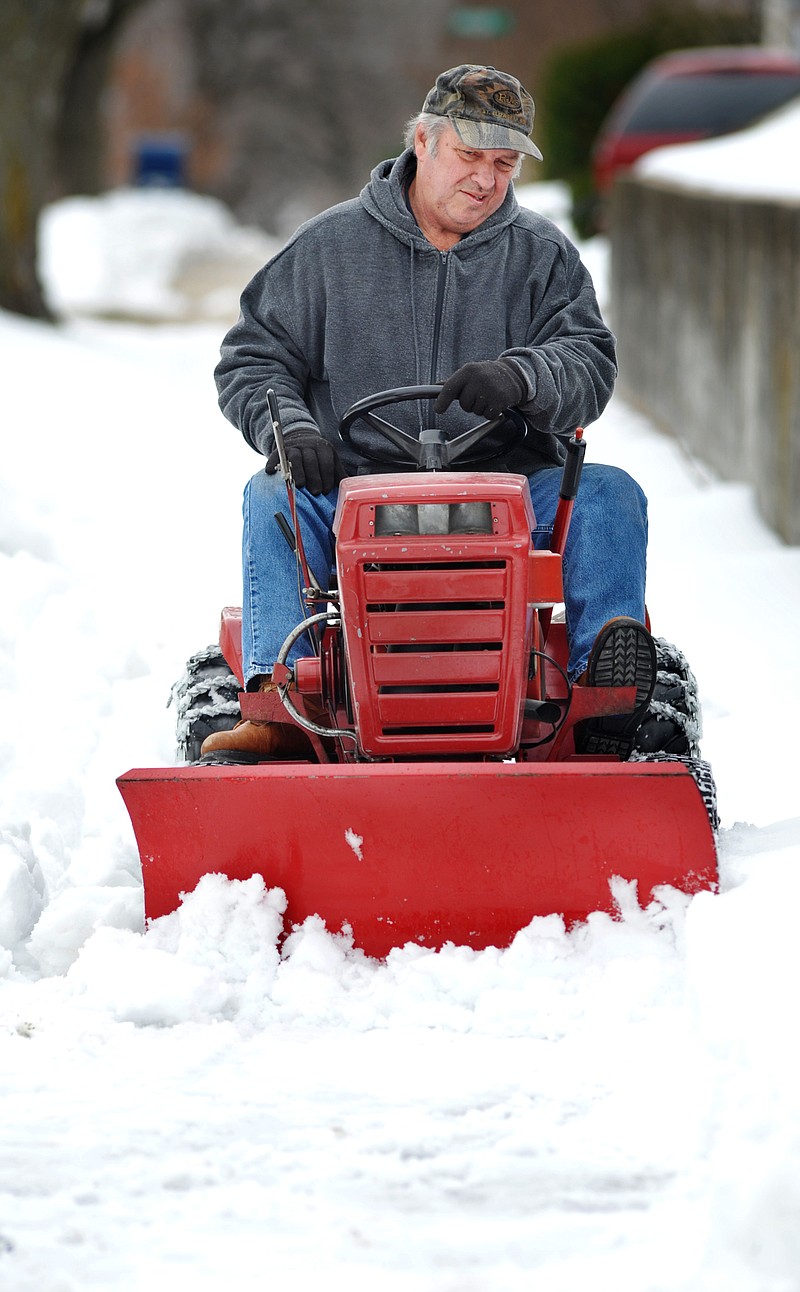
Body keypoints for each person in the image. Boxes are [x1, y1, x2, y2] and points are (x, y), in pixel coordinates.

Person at [202, 64, 655, 761]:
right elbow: (253, 359)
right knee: (269, 497)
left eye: (503, 163)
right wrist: (289, 429)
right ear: (422, 140)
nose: (486, 178)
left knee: (610, 494)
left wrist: (522, 376)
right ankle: (279, 701)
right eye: (471, 155)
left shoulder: (543, 257)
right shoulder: (327, 250)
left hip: (502, 482)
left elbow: (590, 364)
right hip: (354, 482)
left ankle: (606, 698)